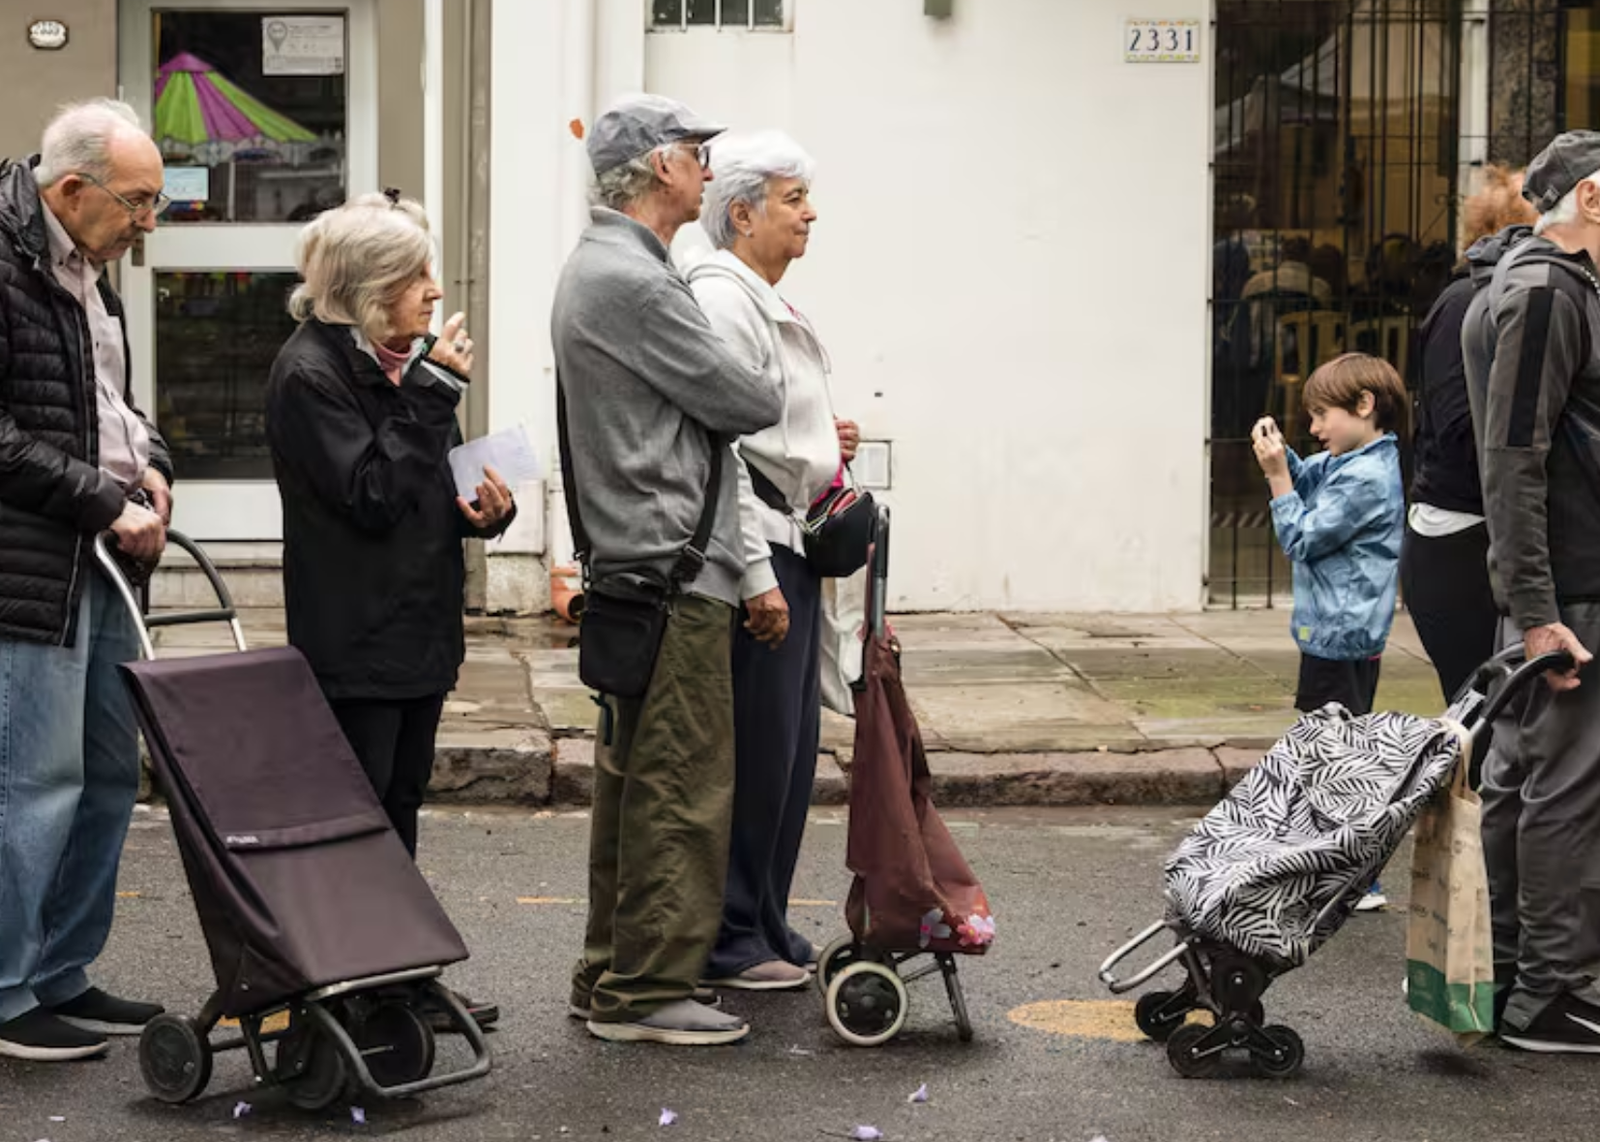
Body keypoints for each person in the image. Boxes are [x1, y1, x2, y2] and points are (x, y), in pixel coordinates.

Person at [552, 94, 782, 1046]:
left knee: (635, 782)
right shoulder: (636, 280)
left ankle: (612, 971)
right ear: (657, 167)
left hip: (642, 569)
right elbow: (750, 396)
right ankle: (646, 993)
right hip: (674, 572)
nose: (706, 165)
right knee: (680, 787)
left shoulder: (607, 267)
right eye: (695, 151)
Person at [264, 191, 515, 1030]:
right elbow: (369, 494)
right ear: (369, 292)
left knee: (399, 806)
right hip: (357, 638)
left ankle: (395, 974)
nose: (435, 292)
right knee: (362, 813)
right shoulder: (310, 373)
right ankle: (354, 984)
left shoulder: (389, 361)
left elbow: (415, 484)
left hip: (415, 628)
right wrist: (437, 385)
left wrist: (481, 509)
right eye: (415, 278)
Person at [0, 99, 174, 1061]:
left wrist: (151, 468)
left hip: (103, 561)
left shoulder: (89, 271)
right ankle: (8, 990)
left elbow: (114, 406)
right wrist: (104, 502)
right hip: (32, 571)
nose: (150, 223)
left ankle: (63, 969)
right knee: (34, 783)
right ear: (71, 191)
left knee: (110, 776)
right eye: (139, 202)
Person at [686, 131, 857, 991]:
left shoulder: (761, 296)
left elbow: (779, 428)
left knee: (790, 758)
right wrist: (755, 577)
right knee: (757, 755)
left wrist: (831, 439)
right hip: (762, 552)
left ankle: (768, 918)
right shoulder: (723, 299)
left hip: (795, 546)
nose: (811, 213)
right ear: (743, 212)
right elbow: (723, 449)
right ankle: (730, 936)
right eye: (794, 200)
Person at [1463, 131, 1600, 1052]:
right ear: (1594, 199)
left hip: (1555, 582)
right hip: (1571, 587)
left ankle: (1513, 975)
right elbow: (1514, 459)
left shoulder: (1530, 281)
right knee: (1565, 789)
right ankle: (1547, 994)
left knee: (1524, 779)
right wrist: (1543, 613)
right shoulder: (1548, 290)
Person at [1402, 165, 1537, 702]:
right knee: (1482, 719)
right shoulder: (1466, 305)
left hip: (1473, 534)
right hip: (1458, 543)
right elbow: (1464, 429)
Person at [1251, 354, 1407, 715]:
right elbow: (1306, 480)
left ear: (1364, 405)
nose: (1314, 427)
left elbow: (1301, 539)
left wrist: (1277, 476)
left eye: (1322, 414)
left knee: (1330, 747)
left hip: (1341, 638)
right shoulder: (1350, 460)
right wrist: (1280, 454)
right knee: (1330, 741)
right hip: (1338, 635)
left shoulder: (1367, 477)